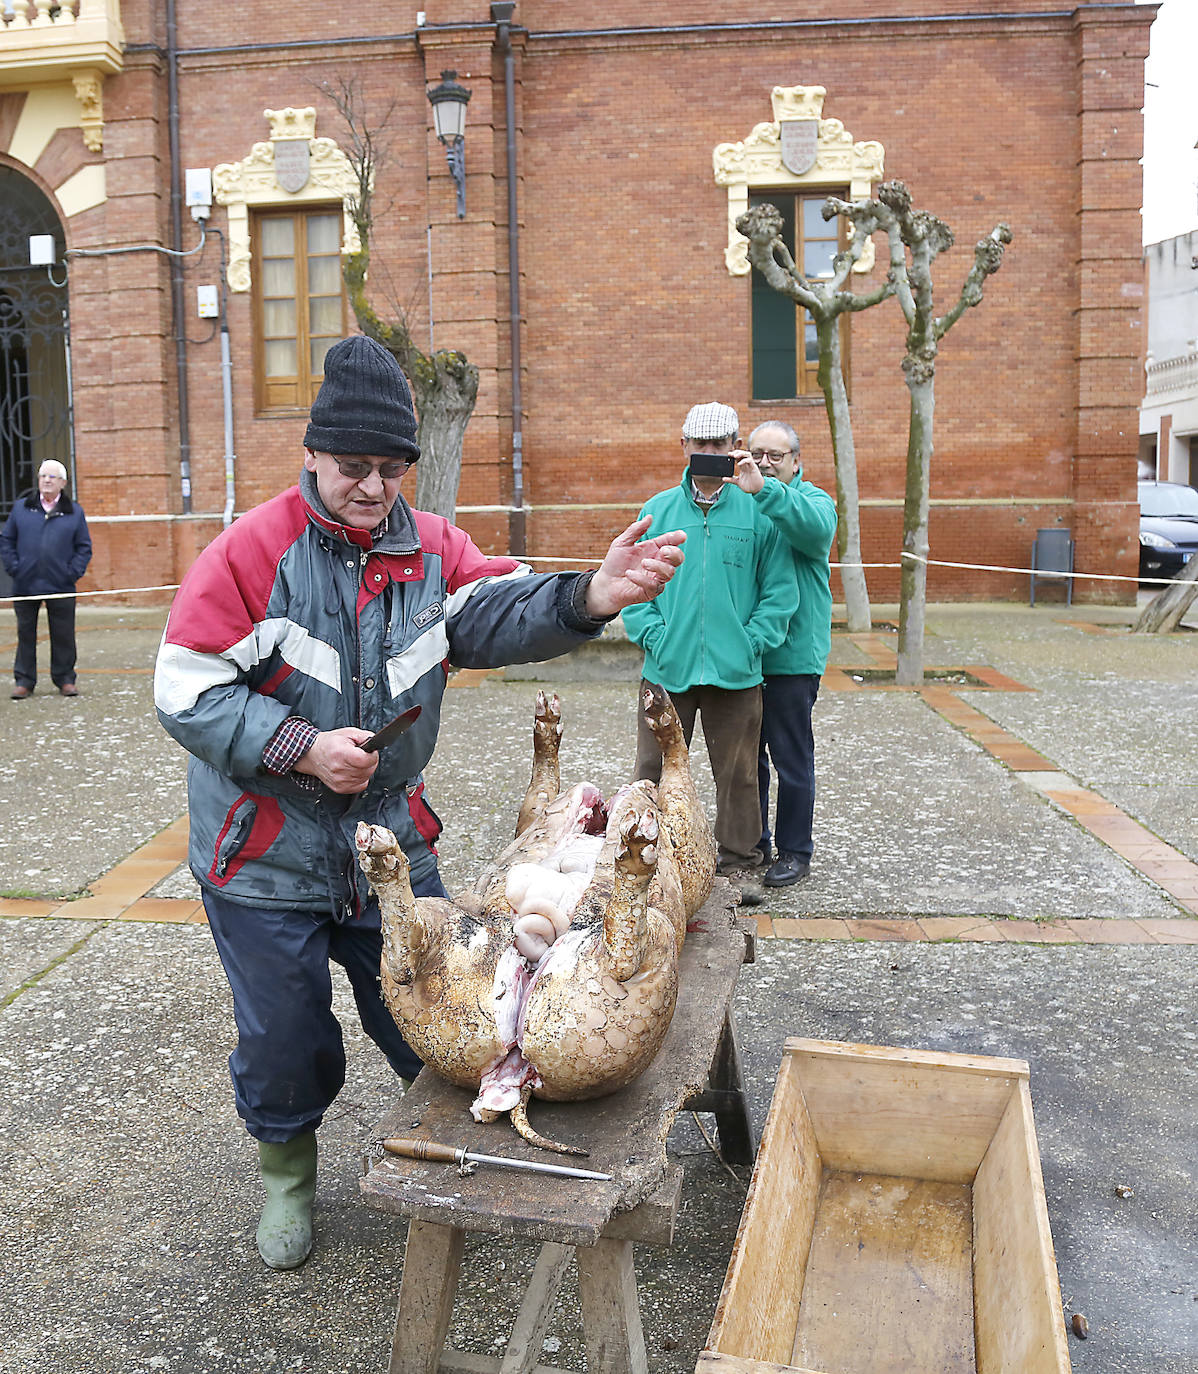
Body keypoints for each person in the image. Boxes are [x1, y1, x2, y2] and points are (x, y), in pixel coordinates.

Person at [153, 335, 685, 1271]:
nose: (373, 487)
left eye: (391, 469)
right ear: (311, 455)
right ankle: (288, 1176)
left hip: (389, 838)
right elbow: (185, 687)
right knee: (286, 1039)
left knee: (449, 1007)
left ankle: (458, 1163)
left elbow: (496, 610)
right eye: (353, 467)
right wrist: (300, 747)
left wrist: (592, 596)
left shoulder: (431, 550)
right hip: (262, 852)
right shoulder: (249, 556)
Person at [622, 402, 797, 906]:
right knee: (650, 770)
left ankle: (740, 866)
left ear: (734, 446)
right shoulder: (657, 510)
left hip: (735, 672)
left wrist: (752, 643)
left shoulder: (758, 509)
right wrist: (654, 636)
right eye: (700, 445)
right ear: (684, 447)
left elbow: (779, 590)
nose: (710, 453)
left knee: (739, 775)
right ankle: (641, 864)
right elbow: (632, 585)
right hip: (666, 669)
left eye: (719, 445)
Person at [735, 421, 837, 887]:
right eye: (757, 453)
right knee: (747, 758)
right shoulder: (743, 499)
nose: (765, 463)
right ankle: (754, 842)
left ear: (798, 461)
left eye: (776, 455)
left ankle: (796, 850)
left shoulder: (815, 502)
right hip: (745, 655)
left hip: (793, 658)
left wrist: (765, 493)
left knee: (791, 759)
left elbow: (812, 532)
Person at [1, 459, 93, 699]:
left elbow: (83, 548)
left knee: (63, 634)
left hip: (60, 584)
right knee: (25, 633)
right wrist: (14, 567)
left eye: (52, 477)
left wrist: (71, 573)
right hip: (25, 583)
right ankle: (24, 681)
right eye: (43, 476)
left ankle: (65, 679)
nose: (47, 480)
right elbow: (7, 540)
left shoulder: (74, 511)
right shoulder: (22, 508)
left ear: (62, 482)